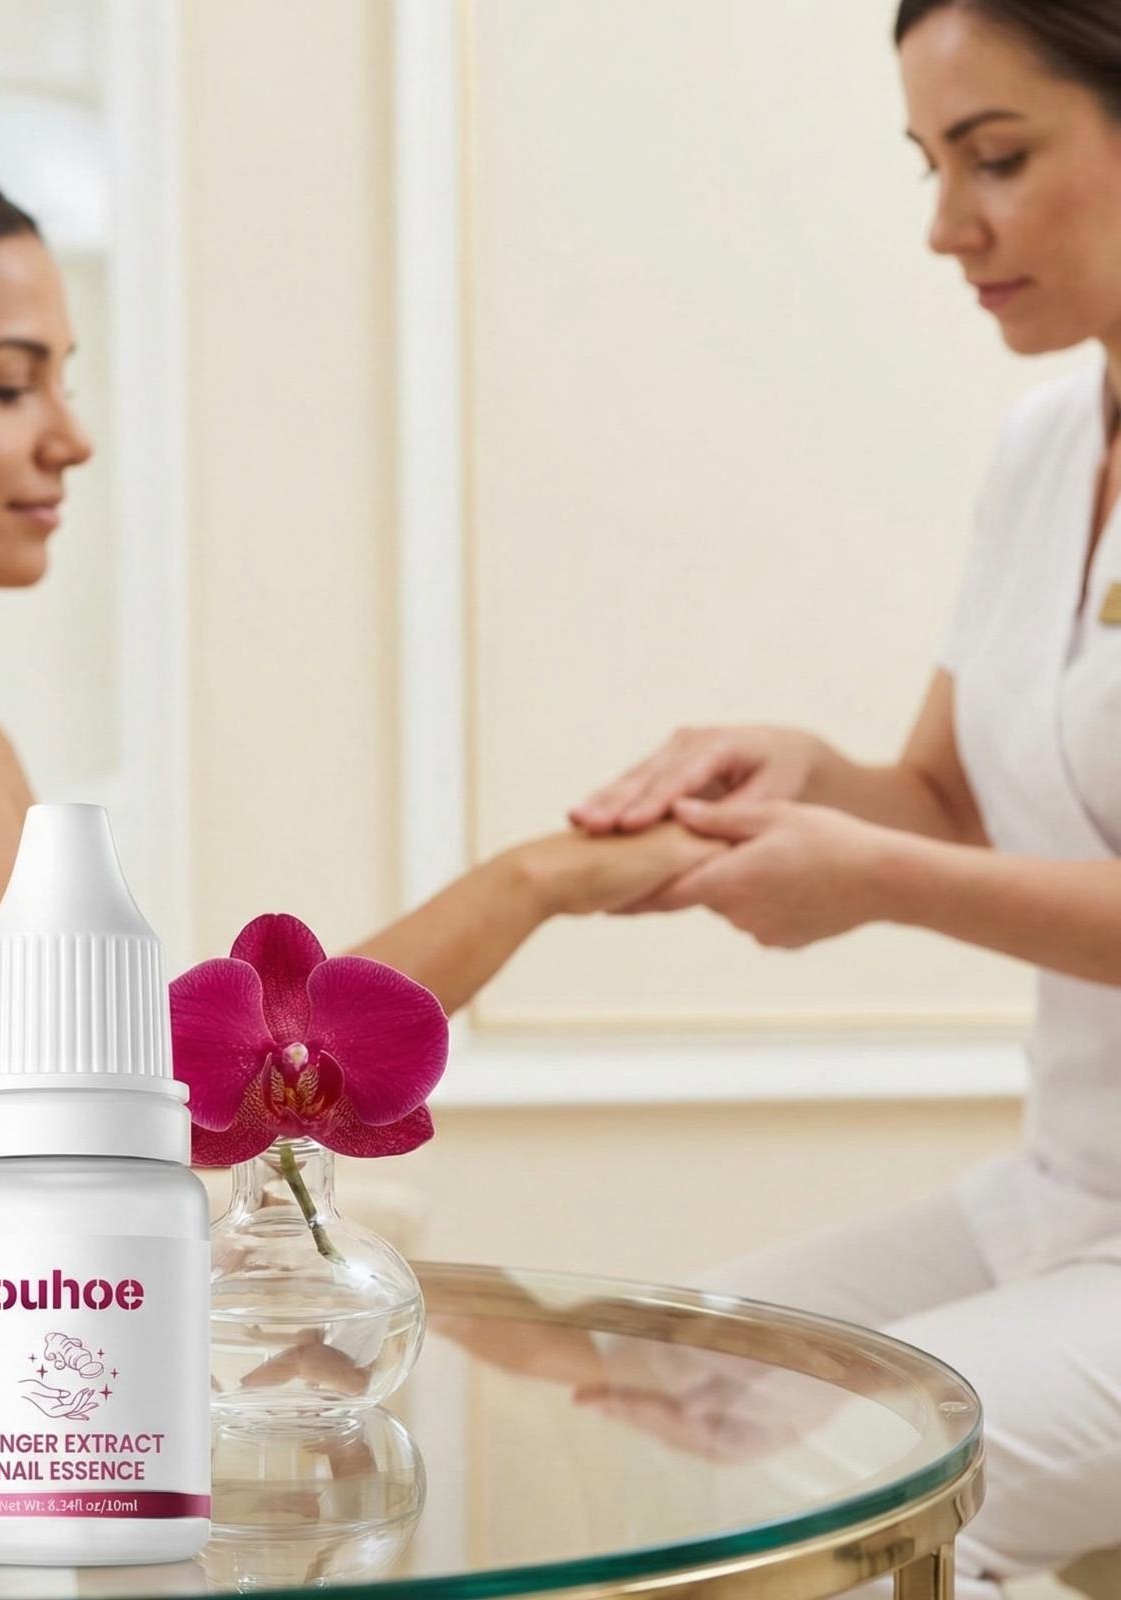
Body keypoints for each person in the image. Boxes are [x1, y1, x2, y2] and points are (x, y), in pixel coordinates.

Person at [0, 151, 720, 1091]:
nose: (71, 439)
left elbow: (153, 1091)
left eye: (64, 381)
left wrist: (549, 878)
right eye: (8, 388)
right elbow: (144, 1091)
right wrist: (535, 883)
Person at [564, 2, 1121, 1592]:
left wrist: (869, 876)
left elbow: (916, 862)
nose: (948, 226)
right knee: (657, 1391)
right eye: (930, 162)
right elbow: (952, 796)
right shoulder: (1044, 448)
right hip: (1068, 1185)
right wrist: (818, 777)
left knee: (847, 1495)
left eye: (997, 158)